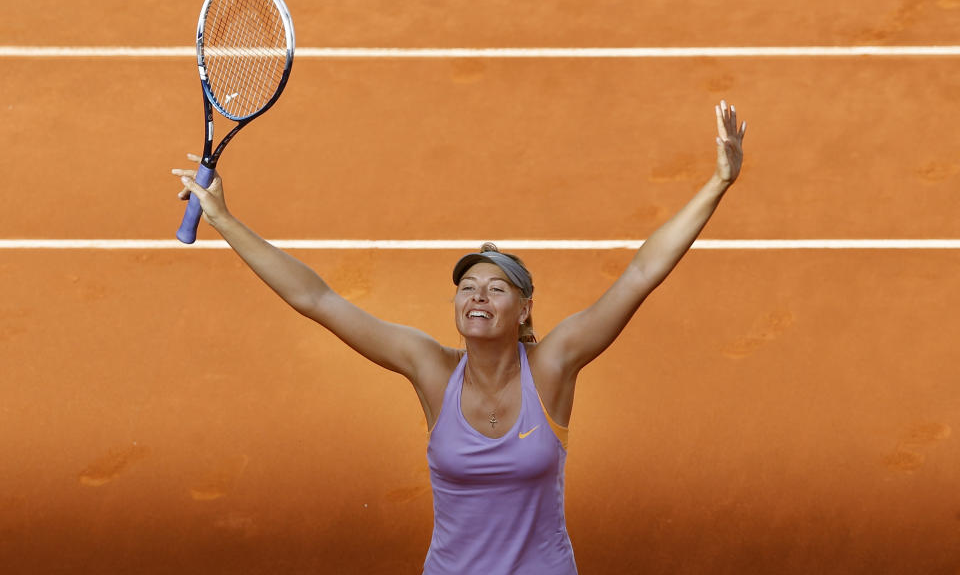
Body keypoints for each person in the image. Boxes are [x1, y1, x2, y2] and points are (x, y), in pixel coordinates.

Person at [172, 101, 746, 574]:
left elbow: (642, 273)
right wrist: (224, 219)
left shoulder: (553, 366)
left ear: (524, 312)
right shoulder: (430, 369)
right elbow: (317, 300)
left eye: (497, 289)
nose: (477, 295)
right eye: (467, 285)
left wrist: (718, 182)